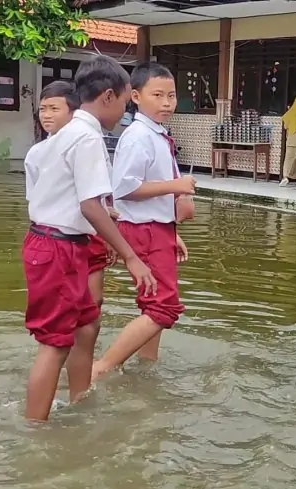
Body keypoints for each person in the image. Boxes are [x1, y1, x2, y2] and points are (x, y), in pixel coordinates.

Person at [21, 55, 157, 422]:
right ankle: (35, 431)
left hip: (59, 242)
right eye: (127, 104)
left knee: (88, 325)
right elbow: (90, 206)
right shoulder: (86, 137)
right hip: (57, 246)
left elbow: (70, 199)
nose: (126, 115)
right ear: (109, 96)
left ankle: (81, 402)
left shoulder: (66, 135)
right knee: (54, 345)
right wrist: (129, 254)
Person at [92, 62, 196, 379]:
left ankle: (146, 367)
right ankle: (101, 368)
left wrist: (170, 228)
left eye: (172, 96)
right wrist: (175, 187)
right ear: (135, 96)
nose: (166, 103)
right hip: (144, 231)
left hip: (157, 228)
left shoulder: (156, 134)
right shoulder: (138, 136)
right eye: (158, 95)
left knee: (154, 306)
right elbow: (125, 188)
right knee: (164, 308)